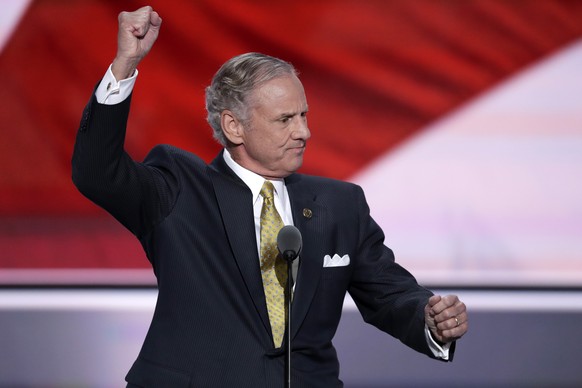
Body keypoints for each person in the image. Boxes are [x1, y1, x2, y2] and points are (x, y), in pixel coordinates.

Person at [72, 6, 468, 388]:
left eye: (303, 116)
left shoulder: (339, 205)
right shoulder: (178, 189)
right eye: (285, 120)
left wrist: (429, 318)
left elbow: (390, 293)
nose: (304, 132)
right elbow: (97, 174)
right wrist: (124, 64)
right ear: (234, 126)